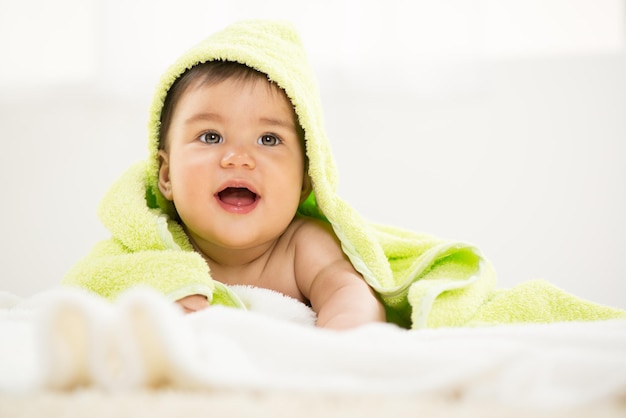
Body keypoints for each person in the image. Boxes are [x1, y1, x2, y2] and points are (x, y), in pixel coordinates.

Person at [158, 61, 385, 328]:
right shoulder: (155, 249)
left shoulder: (301, 246)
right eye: (211, 137)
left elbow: (349, 294)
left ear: (304, 182)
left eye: (268, 139)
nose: (238, 159)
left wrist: (340, 343)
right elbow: (105, 291)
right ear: (167, 175)